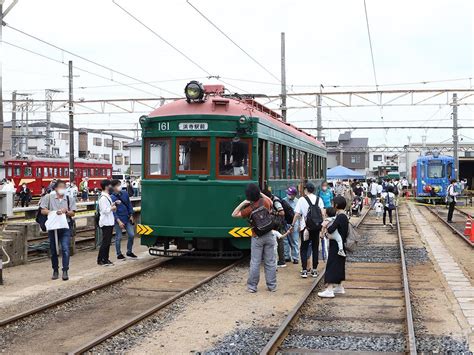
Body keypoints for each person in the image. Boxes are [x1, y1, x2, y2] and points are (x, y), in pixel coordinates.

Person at [232, 183, 276, 293]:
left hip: (257, 237)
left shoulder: (249, 209)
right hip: (269, 234)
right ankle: (272, 286)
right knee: (270, 261)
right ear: (257, 193)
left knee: (255, 262)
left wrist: (244, 202)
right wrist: (260, 193)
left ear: (248, 196)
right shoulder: (265, 202)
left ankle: (252, 287)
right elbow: (271, 201)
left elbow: (234, 214)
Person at [39, 179, 76, 281]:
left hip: (65, 226)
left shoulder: (69, 198)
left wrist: (66, 211)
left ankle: (65, 270)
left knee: (65, 248)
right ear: (55, 188)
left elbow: (73, 213)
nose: (62, 189)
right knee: (53, 249)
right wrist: (53, 212)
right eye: (60, 187)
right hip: (53, 226)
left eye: (64, 188)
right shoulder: (48, 197)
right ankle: (55, 270)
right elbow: (42, 210)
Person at [290, 182, 325, 278]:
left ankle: (304, 270)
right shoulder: (319, 199)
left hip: (305, 228)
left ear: (306, 190)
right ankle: (314, 270)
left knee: (304, 248)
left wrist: (292, 225)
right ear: (313, 190)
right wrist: (323, 227)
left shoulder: (301, 199)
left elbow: (297, 214)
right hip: (316, 227)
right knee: (315, 248)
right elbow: (322, 214)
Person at [318, 196, 349, 298]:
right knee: (339, 265)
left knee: (331, 266)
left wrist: (327, 228)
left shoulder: (340, 217)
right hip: (341, 245)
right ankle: (340, 287)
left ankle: (329, 289)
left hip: (335, 245)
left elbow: (331, 229)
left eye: (333, 203)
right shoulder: (344, 216)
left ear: (336, 205)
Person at [111, 179, 137, 260]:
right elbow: (113, 211)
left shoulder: (125, 193)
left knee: (131, 235)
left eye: (120, 184)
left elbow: (129, 204)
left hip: (127, 218)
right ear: (113, 187)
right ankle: (119, 254)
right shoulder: (111, 197)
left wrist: (131, 215)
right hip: (118, 220)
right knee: (118, 237)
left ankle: (129, 251)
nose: (120, 186)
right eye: (118, 185)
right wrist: (118, 221)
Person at [263, 188, 286, 268]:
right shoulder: (272, 199)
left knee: (279, 242)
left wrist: (272, 212)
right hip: (276, 223)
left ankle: (281, 261)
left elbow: (282, 212)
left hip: (277, 224)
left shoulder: (275, 201)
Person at [97, 179, 118, 266]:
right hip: (105, 222)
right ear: (106, 187)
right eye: (109, 185)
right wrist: (112, 208)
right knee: (105, 242)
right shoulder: (103, 198)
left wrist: (113, 204)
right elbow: (104, 210)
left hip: (109, 221)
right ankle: (101, 259)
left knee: (107, 242)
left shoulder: (107, 196)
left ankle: (105, 258)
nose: (111, 187)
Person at [283, 187, 300, 264]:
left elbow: (299, 214)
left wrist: (299, 224)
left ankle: (295, 257)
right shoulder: (284, 200)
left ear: (294, 195)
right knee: (285, 240)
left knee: (294, 240)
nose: (288, 195)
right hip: (285, 222)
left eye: (290, 194)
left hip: (294, 223)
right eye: (288, 193)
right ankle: (287, 256)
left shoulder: (298, 202)